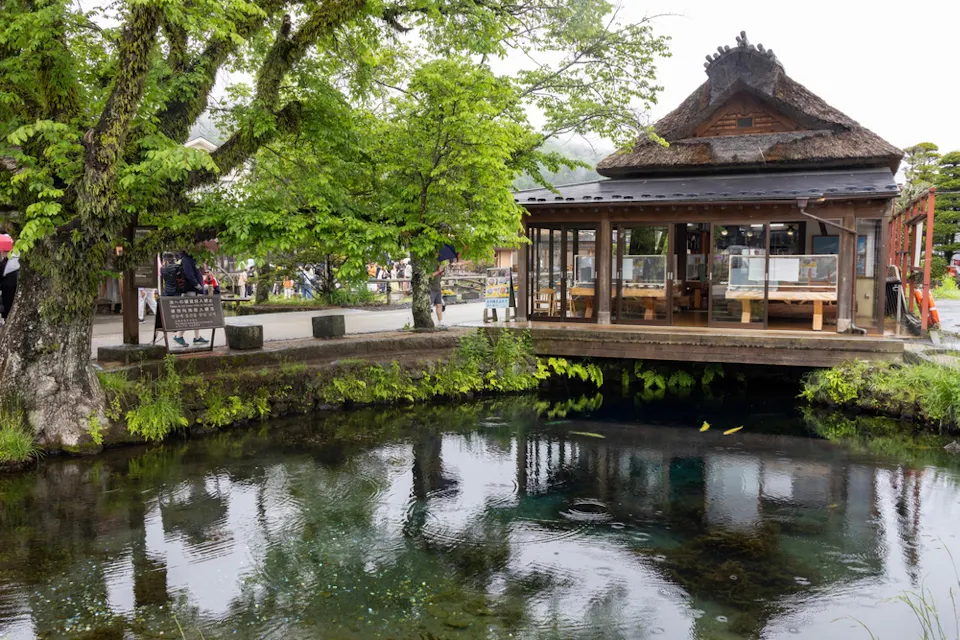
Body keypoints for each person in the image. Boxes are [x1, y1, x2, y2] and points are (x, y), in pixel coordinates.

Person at [161, 251, 207, 347]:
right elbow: (189, 275)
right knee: (189, 315)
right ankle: (179, 336)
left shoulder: (192, 259)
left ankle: (197, 337)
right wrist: (197, 285)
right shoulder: (186, 260)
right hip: (191, 290)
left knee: (195, 315)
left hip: (194, 291)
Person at [0, 234, 19, 322]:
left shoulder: (8, 262)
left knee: (8, 306)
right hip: (9, 287)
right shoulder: (12, 260)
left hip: (8, 287)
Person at [430, 260, 446, 325]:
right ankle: (429, 321)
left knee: (439, 305)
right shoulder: (430, 264)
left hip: (438, 288)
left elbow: (441, 275)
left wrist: (442, 272)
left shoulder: (440, 264)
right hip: (431, 288)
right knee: (429, 306)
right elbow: (429, 276)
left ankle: (440, 321)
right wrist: (438, 271)